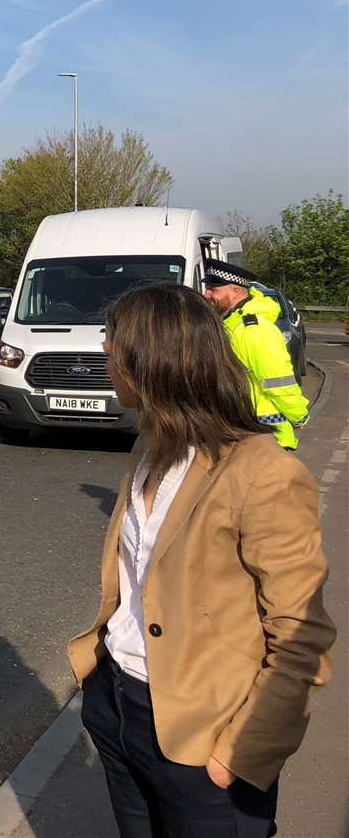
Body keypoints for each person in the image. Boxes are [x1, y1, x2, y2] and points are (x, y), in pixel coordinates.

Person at [69, 283, 335, 838]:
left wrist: (239, 755)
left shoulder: (263, 473)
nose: (103, 354)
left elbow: (301, 637)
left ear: (150, 360)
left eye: (110, 342)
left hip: (206, 735)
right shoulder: (150, 446)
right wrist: (100, 680)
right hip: (117, 703)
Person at [201, 259, 310, 449]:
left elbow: (278, 381)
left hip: (264, 436)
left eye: (214, 289)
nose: (206, 294)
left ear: (235, 290)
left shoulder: (254, 330)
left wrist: (299, 416)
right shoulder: (231, 323)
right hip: (243, 433)